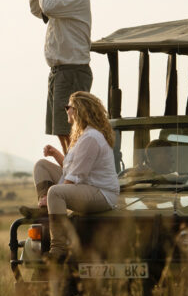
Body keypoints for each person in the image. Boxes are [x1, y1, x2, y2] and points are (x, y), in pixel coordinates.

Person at [19, 91, 119, 261]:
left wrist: (54, 194)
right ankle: (44, 208)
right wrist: (55, 154)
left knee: (56, 193)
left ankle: (59, 248)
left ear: (78, 110)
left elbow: (76, 176)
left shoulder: (91, 138)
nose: (66, 110)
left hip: (101, 193)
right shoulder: (84, 135)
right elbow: (71, 168)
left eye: (68, 107)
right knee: (41, 165)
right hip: (87, 185)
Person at [29, 0, 92, 154]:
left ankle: (74, 166)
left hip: (72, 71)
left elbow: (48, 7)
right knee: (61, 129)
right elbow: (39, 10)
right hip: (60, 71)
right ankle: (70, 164)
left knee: (71, 128)